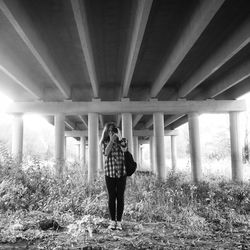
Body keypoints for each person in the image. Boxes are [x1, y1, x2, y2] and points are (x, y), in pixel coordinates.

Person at [100, 122, 128, 230]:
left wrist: (120, 137)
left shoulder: (123, 140)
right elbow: (106, 153)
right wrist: (111, 141)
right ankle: (112, 222)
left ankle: (119, 222)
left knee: (120, 197)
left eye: (114, 130)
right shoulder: (104, 141)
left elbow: (125, 149)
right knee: (112, 197)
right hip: (109, 173)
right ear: (107, 132)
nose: (112, 132)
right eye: (110, 130)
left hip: (121, 173)